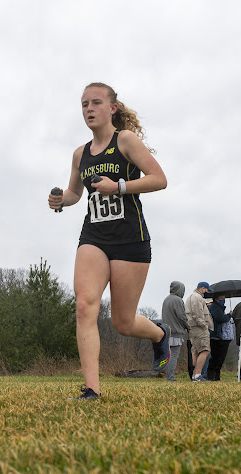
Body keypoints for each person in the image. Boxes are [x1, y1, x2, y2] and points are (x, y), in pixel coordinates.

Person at [48, 82, 168, 400]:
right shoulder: (80, 154)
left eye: (96, 102)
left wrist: (119, 187)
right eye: (84, 104)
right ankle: (92, 390)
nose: (89, 108)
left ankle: (159, 334)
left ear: (112, 108)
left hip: (131, 240)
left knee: (123, 323)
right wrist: (61, 200)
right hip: (94, 237)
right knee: (85, 307)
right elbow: (76, 193)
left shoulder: (125, 141)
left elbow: (159, 179)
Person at [161, 281, 190, 382]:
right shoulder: (177, 300)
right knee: (173, 356)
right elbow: (182, 317)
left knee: (169, 356)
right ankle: (170, 377)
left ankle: (169, 376)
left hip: (166, 331)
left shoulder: (166, 299)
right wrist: (188, 327)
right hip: (175, 332)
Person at [186, 282, 214, 382]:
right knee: (205, 350)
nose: (207, 292)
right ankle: (198, 375)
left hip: (192, 328)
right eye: (207, 290)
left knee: (196, 351)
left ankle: (194, 375)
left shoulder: (191, 297)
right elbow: (197, 314)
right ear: (202, 288)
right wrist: (205, 325)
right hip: (199, 328)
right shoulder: (197, 297)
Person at [206, 294, 234, 381]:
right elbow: (221, 318)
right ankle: (212, 375)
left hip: (217, 335)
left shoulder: (217, 308)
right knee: (216, 357)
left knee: (219, 357)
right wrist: (229, 315)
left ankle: (216, 375)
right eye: (222, 298)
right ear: (217, 299)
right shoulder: (215, 308)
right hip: (215, 336)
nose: (223, 300)